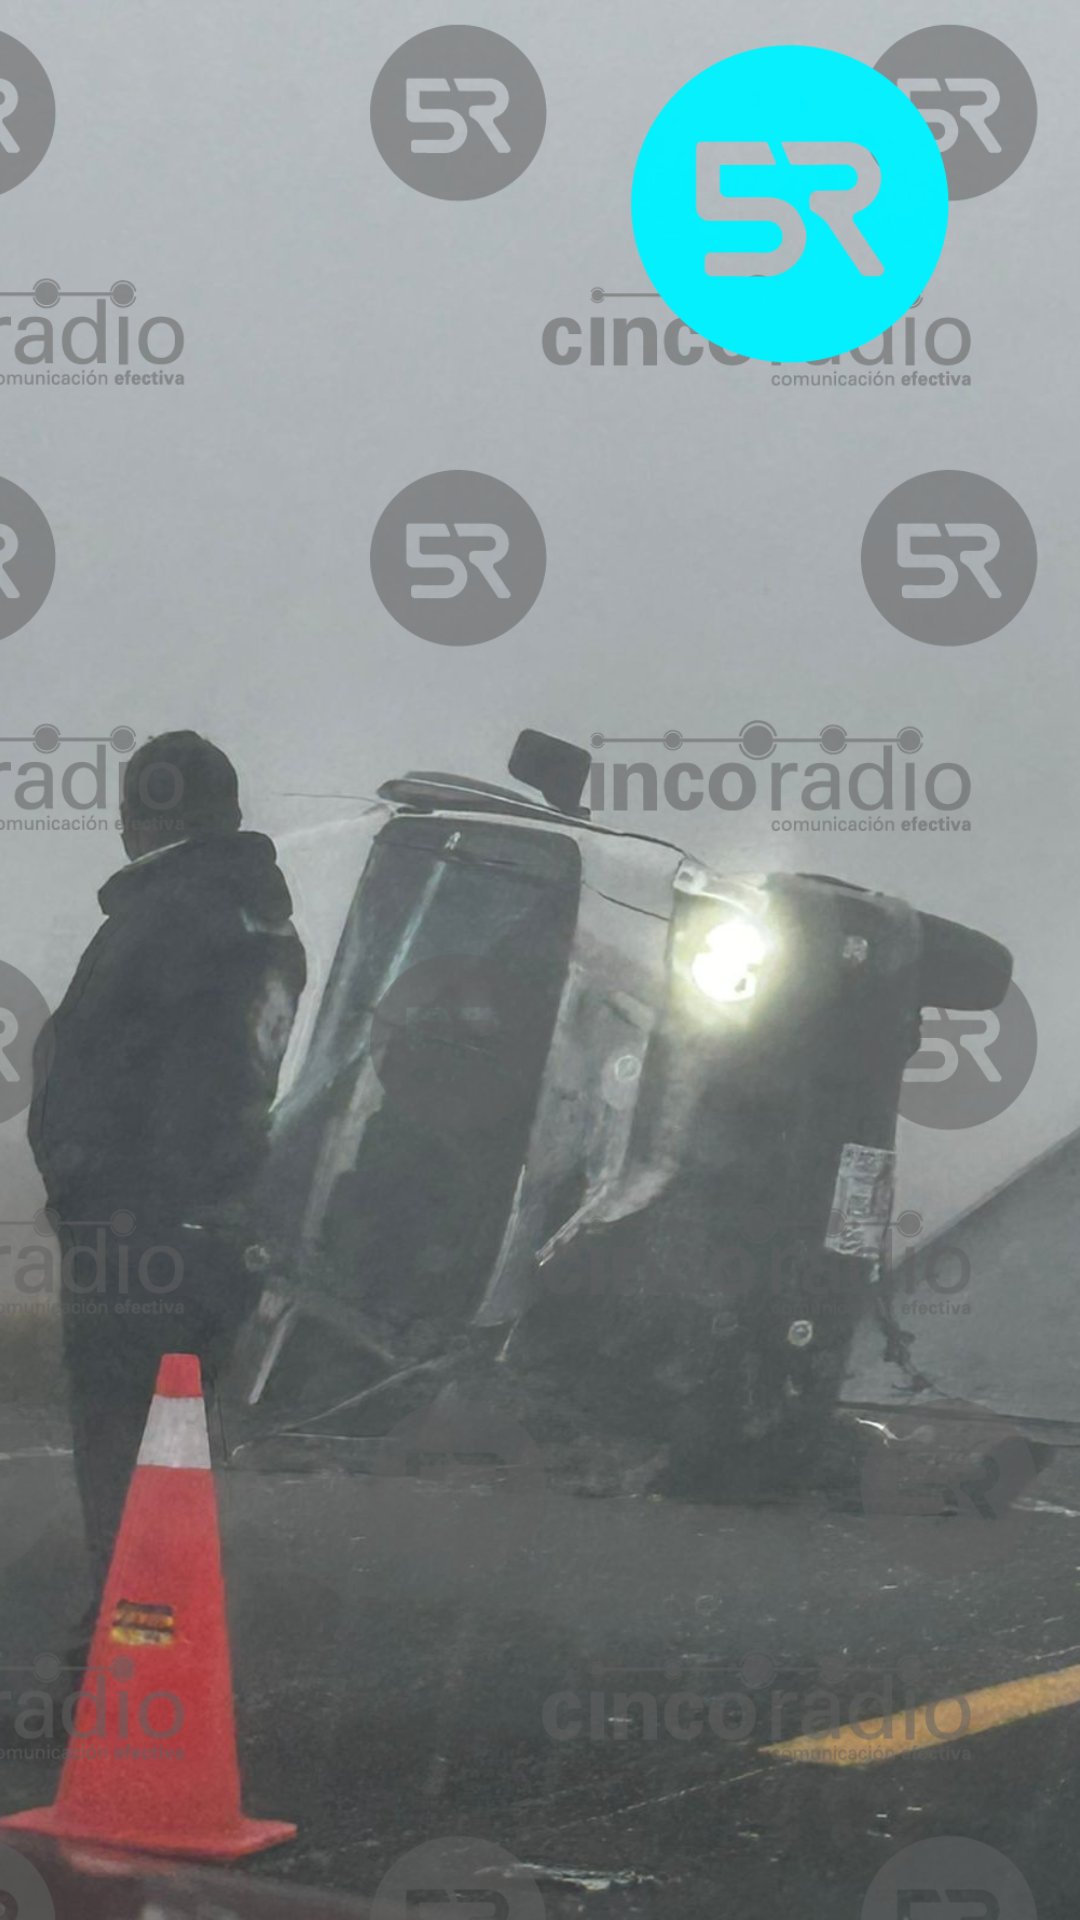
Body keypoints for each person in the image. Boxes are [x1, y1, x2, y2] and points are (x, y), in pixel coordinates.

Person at [28, 731, 306, 1606]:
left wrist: (85, 1192)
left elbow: (112, 1069)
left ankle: (132, 1636)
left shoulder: (164, 916)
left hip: (135, 1231)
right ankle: (157, 1617)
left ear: (141, 818)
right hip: (207, 1227)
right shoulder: (258, 919)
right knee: (172, 1440)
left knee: (120, 1443)